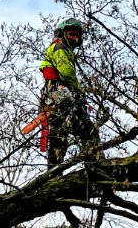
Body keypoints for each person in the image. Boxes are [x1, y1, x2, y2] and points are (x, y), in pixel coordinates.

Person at [39, 18, 98, 165]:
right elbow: (67, 73)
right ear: (62, 33)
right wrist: (79, 92)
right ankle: (93, 160)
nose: (75, 38)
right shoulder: (60, 48)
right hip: (59, 91)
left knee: (59, 132)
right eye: (72, 34)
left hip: (52, 95)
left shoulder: (61, 50)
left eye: (77, 36)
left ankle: (54, 168)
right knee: (85, 126)